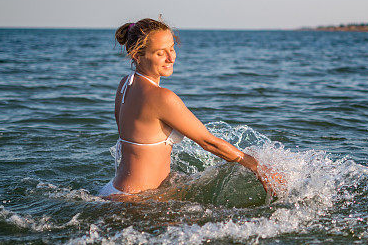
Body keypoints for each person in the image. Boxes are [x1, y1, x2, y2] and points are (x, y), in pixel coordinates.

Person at [98, 18, 278, 198]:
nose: (171, 57)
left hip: (114, 190)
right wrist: (257, 167)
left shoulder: (125, 85)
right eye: (161, 53)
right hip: (138, 200)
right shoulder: (162, 97)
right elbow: (208, 142)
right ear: (137, 56)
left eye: (172, 48)